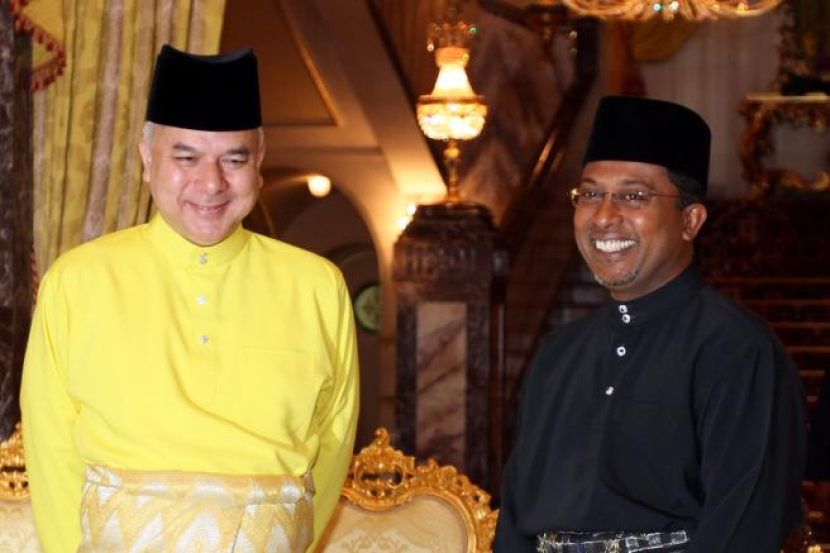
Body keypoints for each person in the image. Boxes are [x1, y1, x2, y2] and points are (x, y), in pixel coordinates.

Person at [20, 45, 359, 553]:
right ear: (146, 159)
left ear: (259, 162)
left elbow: (332, 448)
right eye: (186, 157)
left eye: (233, 160)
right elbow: (52, 454)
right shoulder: (77, 281)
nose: (211, 183)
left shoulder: (318, 286)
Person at [494, 96, 807, 553]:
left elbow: (742, 530)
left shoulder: (737, 350)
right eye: (590, 194)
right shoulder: (558, 353)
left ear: (690, 221)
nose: (604, 216)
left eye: (634, 195)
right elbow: (516, 521)